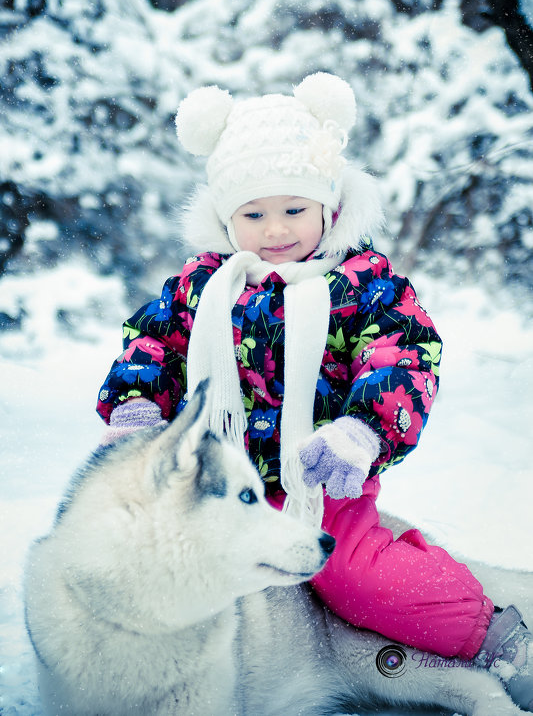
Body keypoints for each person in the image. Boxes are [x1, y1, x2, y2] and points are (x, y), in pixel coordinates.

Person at [97, 72, 532, 710]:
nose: (276, 230)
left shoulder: (358, 282)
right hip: (216, 478)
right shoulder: (204, 287)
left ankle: (491, 634)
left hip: (320, 480)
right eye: (254, 213)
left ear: (328, 205)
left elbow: (404, 353)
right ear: (226, 216)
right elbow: (154, 342)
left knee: (355, 577)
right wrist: (137, 405)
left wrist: (361, 430)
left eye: (294, 209)